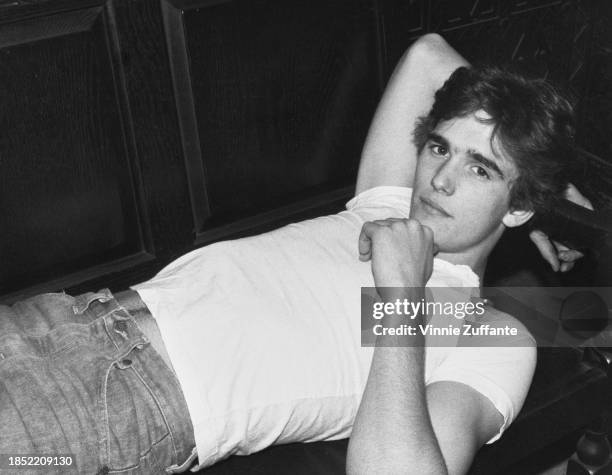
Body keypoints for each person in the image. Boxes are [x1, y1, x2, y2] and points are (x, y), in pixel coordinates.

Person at [0, 34, 591, 475]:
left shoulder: (488, 332)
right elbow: (430, 55)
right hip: (63, 318)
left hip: (111, 408)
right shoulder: (385, 205)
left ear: (517, 208)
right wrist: (544, 172)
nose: (439, 179)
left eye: (480, 168)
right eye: (439, 147)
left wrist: (402, 300)